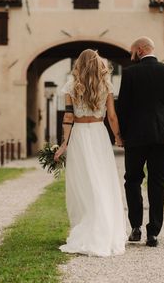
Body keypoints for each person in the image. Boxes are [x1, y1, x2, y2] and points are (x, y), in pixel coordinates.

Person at [54, 49, 127, 256]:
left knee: (83, 182)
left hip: (79, 135)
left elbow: (68, 117)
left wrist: (63, 144)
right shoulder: (106, 85)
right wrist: (118, 137)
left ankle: (88, 225)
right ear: (98, 65)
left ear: (79, 64)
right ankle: (103, 227)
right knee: (101, 180)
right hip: (98, 134)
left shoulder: (71, 86)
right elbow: (112, 116)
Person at [117, 37, 164, 247]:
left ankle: (136, 227)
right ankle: (153, 232)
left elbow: (123, 107)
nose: (131, 56)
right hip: (163, 133)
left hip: (136, 135)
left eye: (132, 52)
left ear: (139, 50)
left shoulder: (129, 73)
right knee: (158, 181)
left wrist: (121, 134)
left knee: (133, 179)